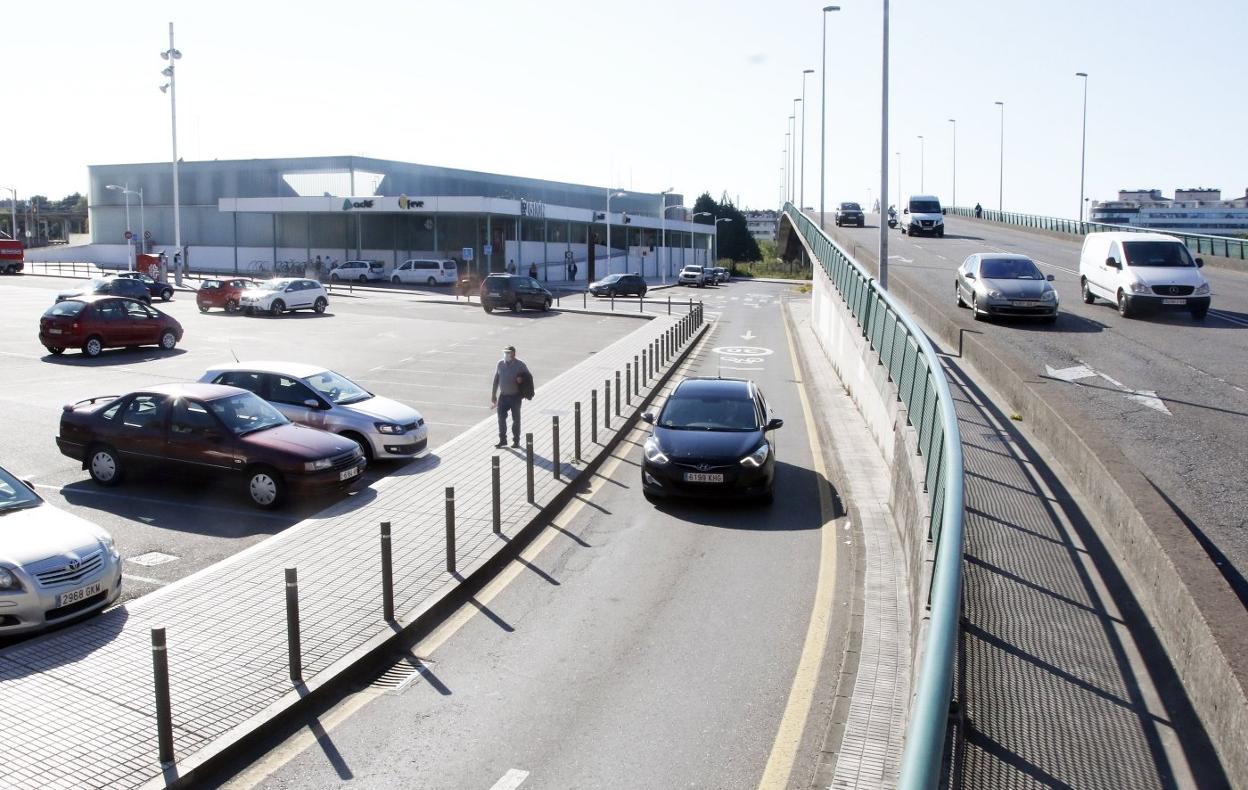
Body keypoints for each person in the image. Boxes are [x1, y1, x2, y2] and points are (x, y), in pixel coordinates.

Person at [491, 345, 531, 448]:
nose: (506, 354)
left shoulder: (520, 365)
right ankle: (502, 440)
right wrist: (493, 394)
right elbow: (496, 379)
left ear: (514, 353)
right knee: (501, 419)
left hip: (515, 397)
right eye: (505, 352)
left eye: (508, 352)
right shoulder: (500, 364)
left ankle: (516, 441)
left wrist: (521, 379)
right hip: (503, 396)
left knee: (516, 420)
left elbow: (528, 378)